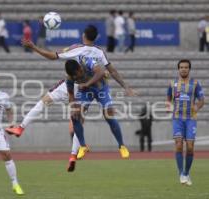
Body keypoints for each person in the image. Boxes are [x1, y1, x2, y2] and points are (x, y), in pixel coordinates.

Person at [7, 25, 137, 160]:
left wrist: (34, 48)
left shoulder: (78, 51)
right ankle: (81, 148)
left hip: (93, 86)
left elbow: (54, 56)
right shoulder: (99, 52)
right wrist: (124, 86)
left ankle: (118, 146)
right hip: (84, 87)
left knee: (97, 115)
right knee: (78, 115)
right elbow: (111, 71)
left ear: (83, 35)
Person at [166, 59, 204, 186]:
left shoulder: (195, 84)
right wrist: (168, 106)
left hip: (190, 119)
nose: (183, 69)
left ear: (189, 69)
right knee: (178, 145)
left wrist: (197, 107)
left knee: (190, 147)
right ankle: (181, 173)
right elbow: (168, 98)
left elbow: (201, 100)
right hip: (177, 119)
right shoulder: (172, 84)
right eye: (181, 67)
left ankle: (186, 173)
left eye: (186, 67)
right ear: (178, 69)